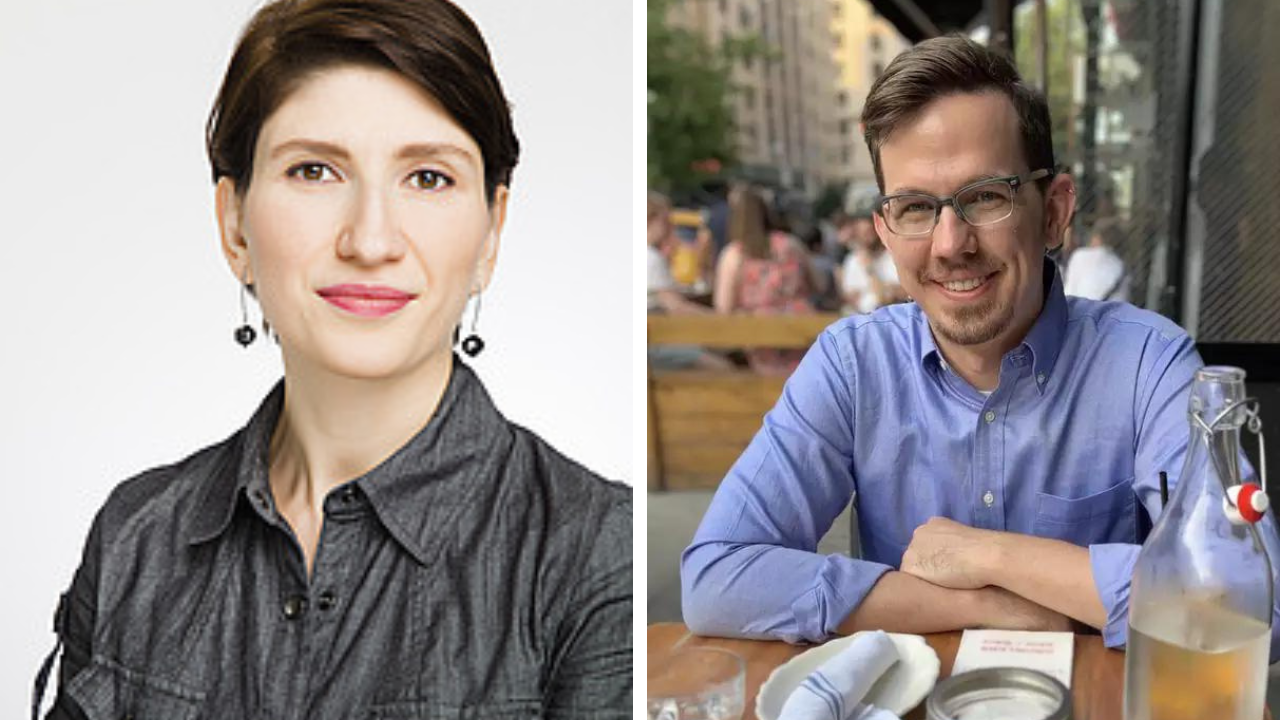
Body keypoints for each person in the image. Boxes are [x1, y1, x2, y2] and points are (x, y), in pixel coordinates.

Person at [35, 1, 631, 717]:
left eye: (428, 178)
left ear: (490, 235)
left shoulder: (596, 554)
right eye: (315, 171)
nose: (371, 239)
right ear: (235, 227)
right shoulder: (137, 534)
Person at [682, 35, 1280, 658]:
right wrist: (990, 607)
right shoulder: (852, 365)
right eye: (915, 207)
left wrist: (990, 554)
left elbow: (1256, 600)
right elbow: (717, 577)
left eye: (986, 197)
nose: (949, 243)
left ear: (1053, 211)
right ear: (885, 231)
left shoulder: (1148, 365)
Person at [713, 187, 817, 374]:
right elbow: (817, 284)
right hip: (801, 330)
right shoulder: (791, 244)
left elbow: (724, 307)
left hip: (759, 336)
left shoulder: (735, 254)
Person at [835, 211, 905, 314]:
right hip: (861, 317)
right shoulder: (853, 260)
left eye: (869, 232)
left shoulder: (894, 256)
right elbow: (850, 296)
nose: (866, 238)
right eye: (861, 234)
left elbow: (885, 298)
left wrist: (869, 269)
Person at [1063, 217, 1129, 301]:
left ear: (1097, 238)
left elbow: (1068, 291)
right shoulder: (1122, 267)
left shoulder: (1079, 255)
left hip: (1077, 311)